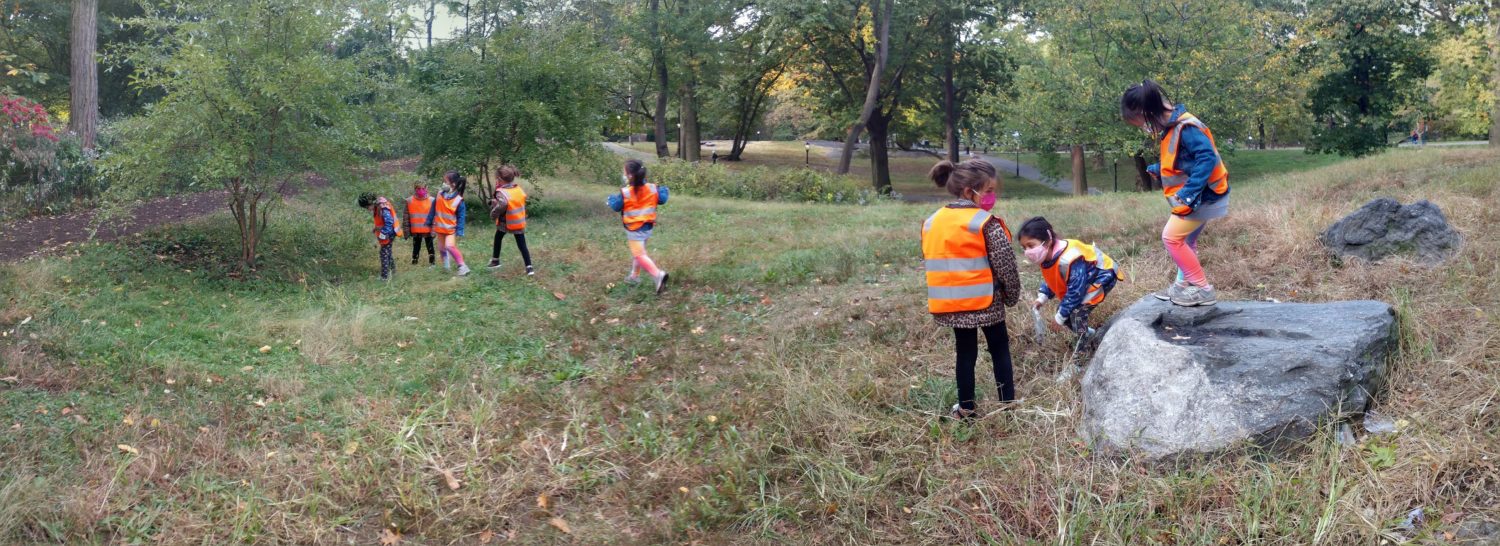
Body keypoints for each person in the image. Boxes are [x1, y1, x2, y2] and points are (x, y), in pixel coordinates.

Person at [920, 159, 1020, 421]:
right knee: (999, 349)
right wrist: (1011, 295)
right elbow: (1005, 264)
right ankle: (1007, 404)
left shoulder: (931, 222)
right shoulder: (985, 222)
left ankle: (966, 408)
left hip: (951, 305)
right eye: (988, 191)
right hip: (986, 302)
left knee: (965, 353)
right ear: (969, 192)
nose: (992, 197)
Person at [1121, 79, 1229, 307]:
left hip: (1204, 196)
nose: (1143, 128)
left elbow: (1206, 158)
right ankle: (1183, 285)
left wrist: (1189, 192)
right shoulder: (1172, 127)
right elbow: (1184, 160)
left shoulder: (1186, 127)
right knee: (1187, 241)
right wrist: (1159, 169)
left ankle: (1202, 289)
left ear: (1148, 112)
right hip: (1200, 195)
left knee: (1171, 238)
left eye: (1141, 123)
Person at [1017, 217, 1120, 336]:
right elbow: (1053, 277)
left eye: (1031, 245)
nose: (1027, 252)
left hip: (1103, 275)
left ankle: (1082, 349)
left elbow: (1076, 291)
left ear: (1048, 240)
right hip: (1086, 278)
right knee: (1065, 313)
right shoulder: (1046, 257)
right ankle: (1091, 335)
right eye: (1024, 247)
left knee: (1076, 313)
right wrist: (1042, 297)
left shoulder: (1069, 258)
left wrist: (1059, 318)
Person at [607, 159, 670, 293]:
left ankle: (658, 275)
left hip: (634, 229)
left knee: (639, 254)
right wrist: (665, 189)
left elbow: (616, 206)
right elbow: (663, 199)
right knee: (639, 254)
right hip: (648, 227)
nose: (623, 175)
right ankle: (634, 276)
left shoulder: (626, 192)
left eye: (624, 172)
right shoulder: (652, 188)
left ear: (630, 175)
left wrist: (610, 199)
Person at [487, 164, 534, 275]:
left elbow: (503, 204)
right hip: (518, 221)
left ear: (499, 179)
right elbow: (513, 201)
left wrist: (493, 214)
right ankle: (529, 267)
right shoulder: (517, 189)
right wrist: (495, 202)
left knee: (498, 237)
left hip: (506, 222)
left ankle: (495, 261)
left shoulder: (501, 192)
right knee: (522, 244)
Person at [427, 171, 470, 277]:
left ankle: (463, 266)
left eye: (445, 181)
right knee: (442, 249)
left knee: (449, 246)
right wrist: (429, 220)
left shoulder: (458, 200)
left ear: (453, 184)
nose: (443, 184)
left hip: (451, 230)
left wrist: (460, 230)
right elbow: (433, 208)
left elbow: (461, 216)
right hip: (440, 228)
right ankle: (446, 268)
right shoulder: (439, 194)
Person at [358, 192, 402, 281]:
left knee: (384, 254)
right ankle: (393, 271)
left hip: (389, 233)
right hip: (388, 232)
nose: (368, 209)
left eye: (367, 207)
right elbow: (382, 222)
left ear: (371, 203)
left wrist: (383, 234)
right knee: (387, 253)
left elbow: (389, 222)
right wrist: (377, 228)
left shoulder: (383, 208)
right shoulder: (378, 206)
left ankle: (384, 277)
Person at [404, 182, 437, 266]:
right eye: (418, 189)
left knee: (430, 248)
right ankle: (414, 263)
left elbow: (435, 217)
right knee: (416, 247)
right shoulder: (409, 200)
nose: (421, 191)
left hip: (428, 230)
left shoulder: (432, 200)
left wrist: (434, 229)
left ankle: (432, 263)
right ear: (415, 189)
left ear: (427, 188)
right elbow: (406, 218)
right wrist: (406, 231)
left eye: (423, 188)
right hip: (415, 230)